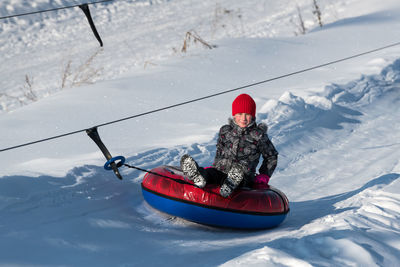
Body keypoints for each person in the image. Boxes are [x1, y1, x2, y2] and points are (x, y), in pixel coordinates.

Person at [180, 93, 278, 198]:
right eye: (240, 114)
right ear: (234, 115)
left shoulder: (258, 135)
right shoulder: (226, 131)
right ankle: (199, 176)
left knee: (239, 178)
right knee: (211, 173)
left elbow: (271, 156)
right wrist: (215, 166)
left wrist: (264, 175)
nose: (243, 118)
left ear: (253, 115)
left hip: (243, 176)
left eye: (247, 114)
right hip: (221, 170)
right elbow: (220, 151)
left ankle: (230, 184)